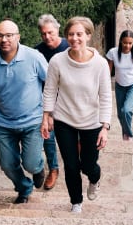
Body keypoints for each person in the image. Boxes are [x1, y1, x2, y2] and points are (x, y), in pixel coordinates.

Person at [41, 16, 112, 214]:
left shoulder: (100, 64)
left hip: (92, 122)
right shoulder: (57, 61)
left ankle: (95, 178)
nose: (74, 38)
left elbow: (106, 96)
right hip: (65, 120)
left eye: (79, 34)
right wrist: (46, 116)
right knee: (71, 166)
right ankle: (76, 202)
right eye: (70, 34)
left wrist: (105, 127)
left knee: (88, 166)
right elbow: (49, 90)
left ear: (88, 36)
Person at [0, 18, 48, 204]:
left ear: (18, 37)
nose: (4, 39)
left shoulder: (34, 57)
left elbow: (51, 84)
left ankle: (39, 168)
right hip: (4, 123)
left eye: (9, 35)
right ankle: (24, 188)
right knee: (7, 165)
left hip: (33, 121)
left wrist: (49, 114)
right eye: (0, 35)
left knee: (31, 163)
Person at [34, 13, 69, 190]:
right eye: (43, 34)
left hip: (70, 100)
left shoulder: (69, 46)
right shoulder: (37, 52)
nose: (47, 37)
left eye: (50, 32)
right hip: (47, 100)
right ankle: (53, 169)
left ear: (57, 29)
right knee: (48, 134)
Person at [106, 30, 133, 141]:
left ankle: (128, 133)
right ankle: (125, 132)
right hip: (119, 86)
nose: (127, 46)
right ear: (120, 41)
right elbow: (108, 69)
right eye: (125, 43)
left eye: (130, 43)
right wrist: (103, 82)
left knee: (126, 110)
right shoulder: (113, 53)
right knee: (120, 114)